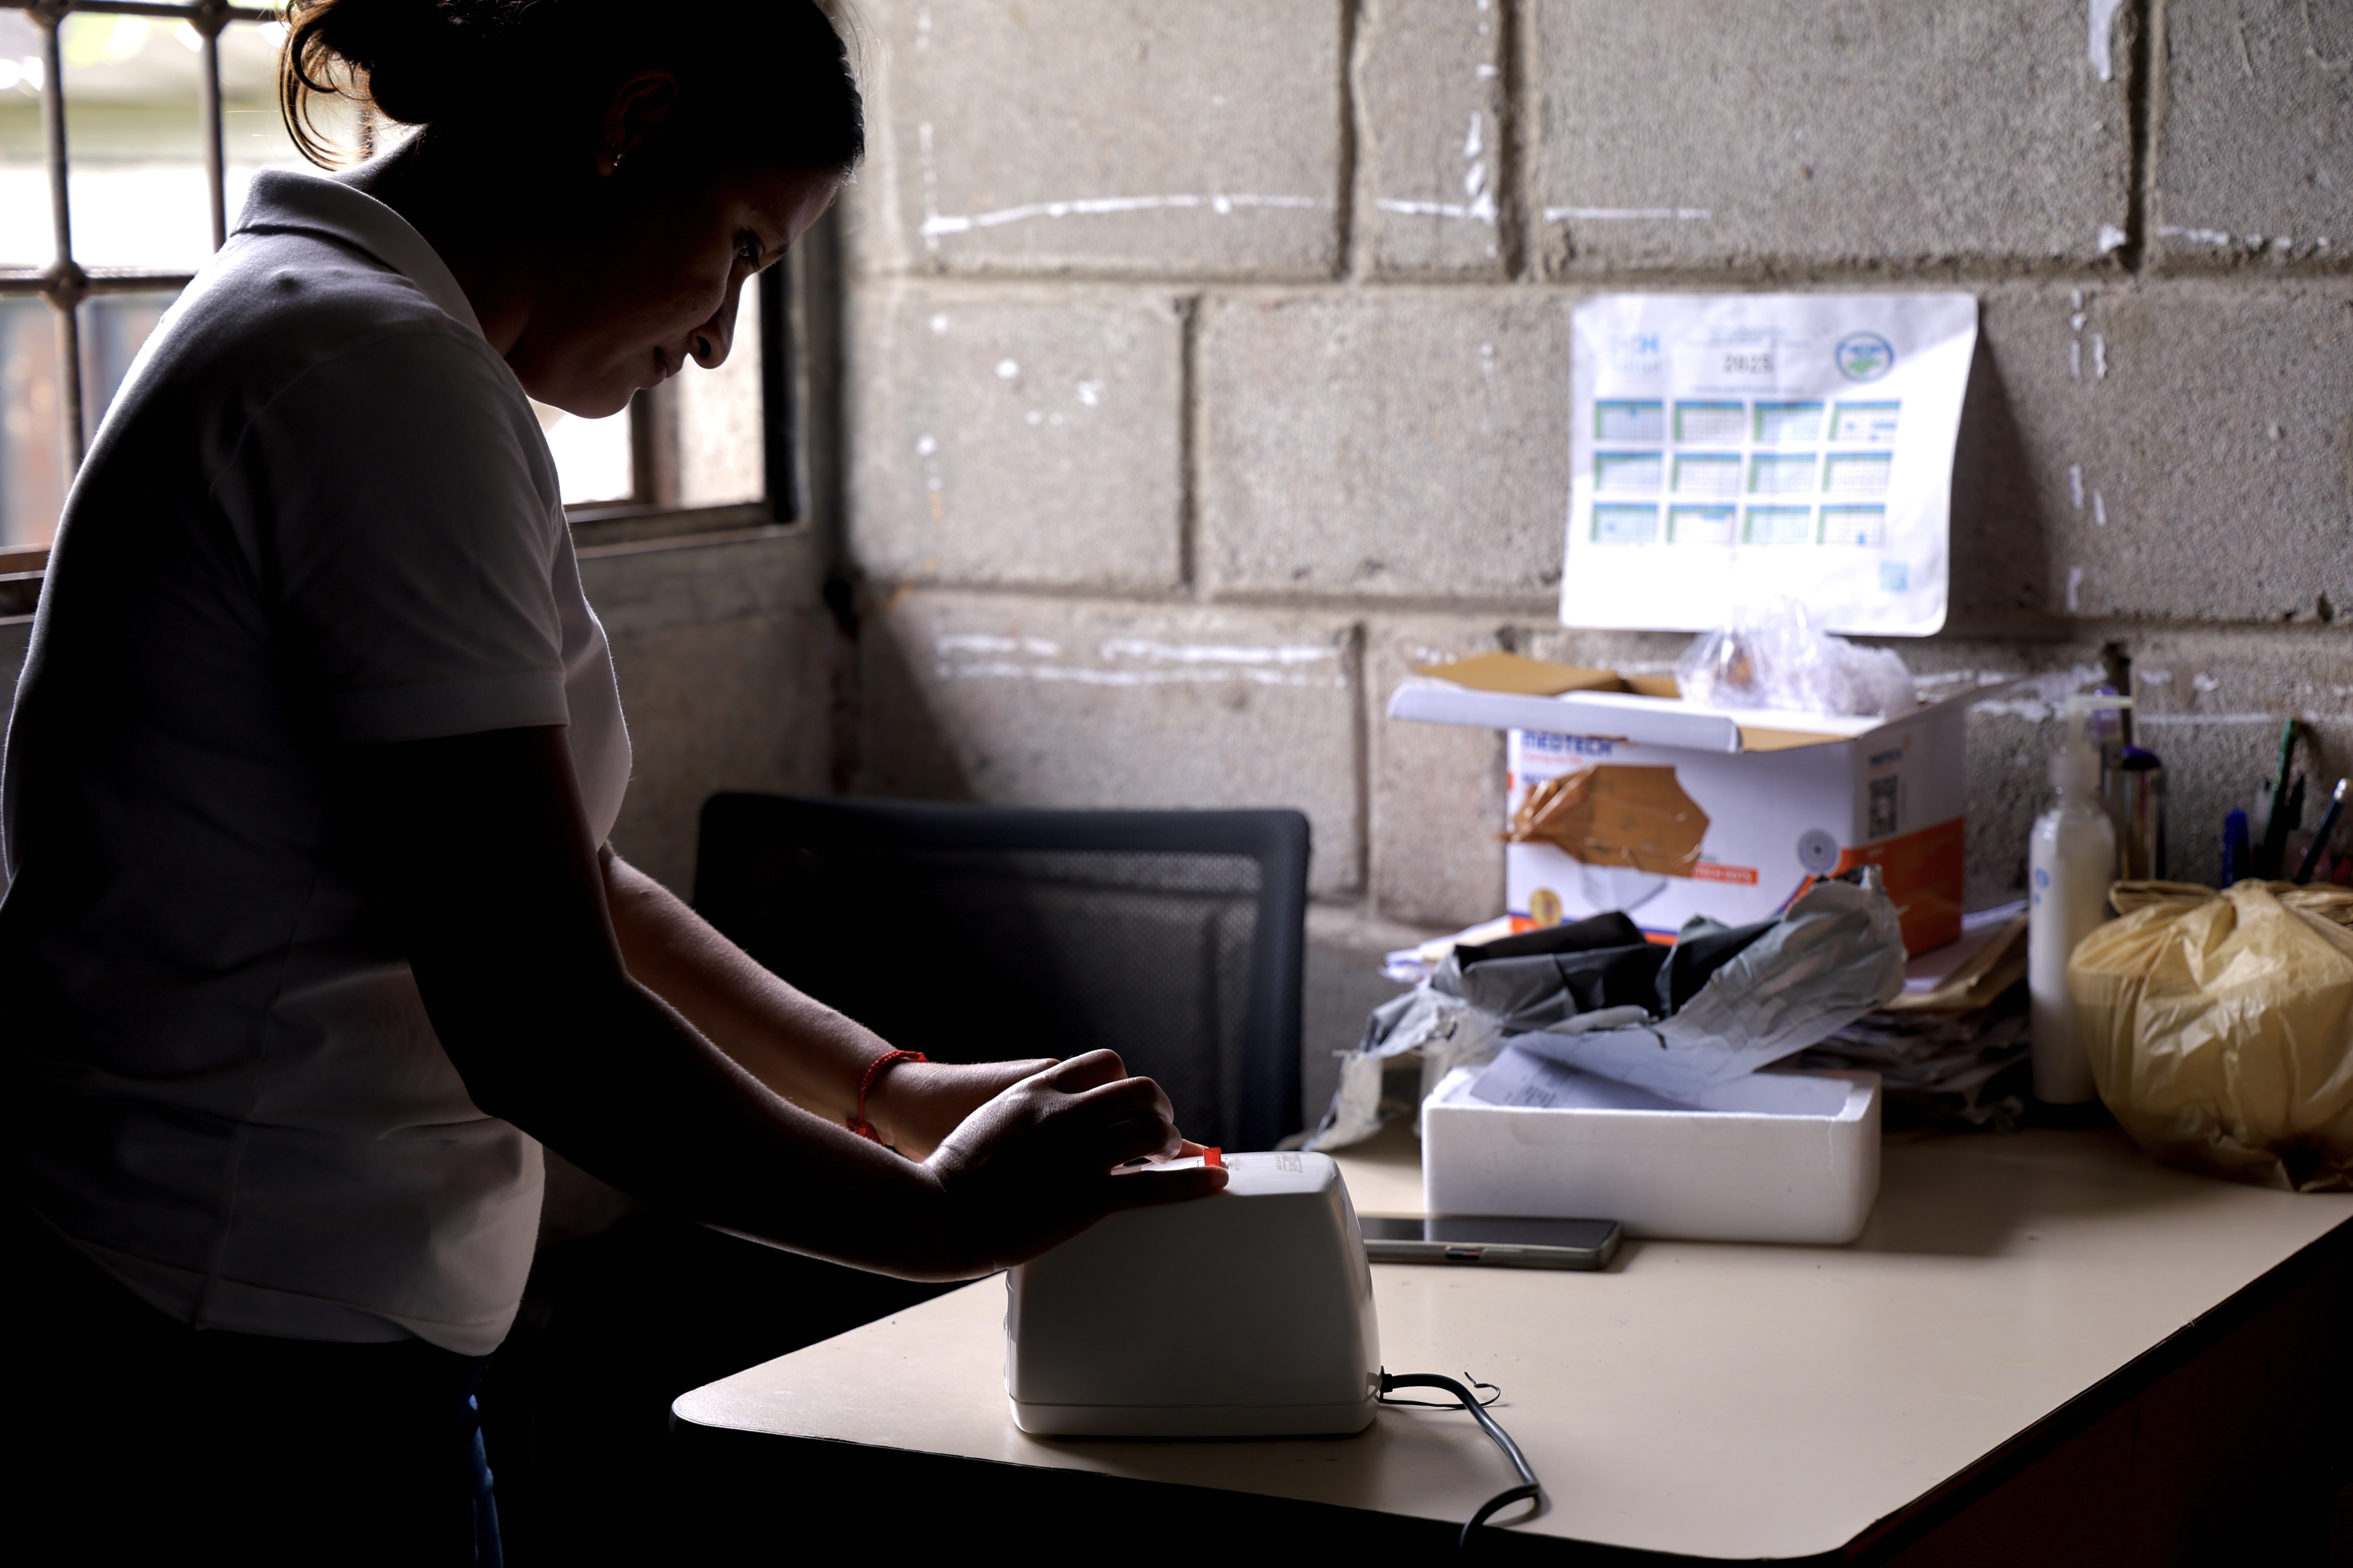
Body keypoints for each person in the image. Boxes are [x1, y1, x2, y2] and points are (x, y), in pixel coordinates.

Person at [0, 2, 1223, 1560]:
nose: (719, 338)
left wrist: (884, 1088)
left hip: (220, 1309)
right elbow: (540, 1017)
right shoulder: (377, 374)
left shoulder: (334, 324)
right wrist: (931, 1223)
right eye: (736, 248)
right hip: (231, 1360)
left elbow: (556, 870)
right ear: (630, 122)